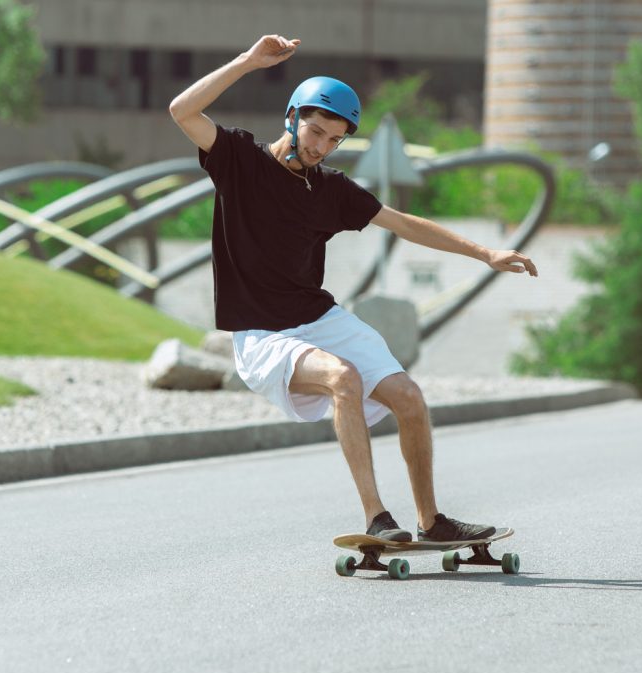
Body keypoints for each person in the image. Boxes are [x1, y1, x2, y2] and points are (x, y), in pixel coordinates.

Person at [168, 35, 538, 543]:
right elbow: (181, 110)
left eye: (332, 140)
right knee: (343, 378)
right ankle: (377, 518)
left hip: (319, 318)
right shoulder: (239, 159)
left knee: (408, 396)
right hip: (260, 334)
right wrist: (249, 62)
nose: (319, 146)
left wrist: (485, 253)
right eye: (315, 131)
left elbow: (403, 223)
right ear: (292, 117)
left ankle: (431, 522)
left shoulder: (330, 190)